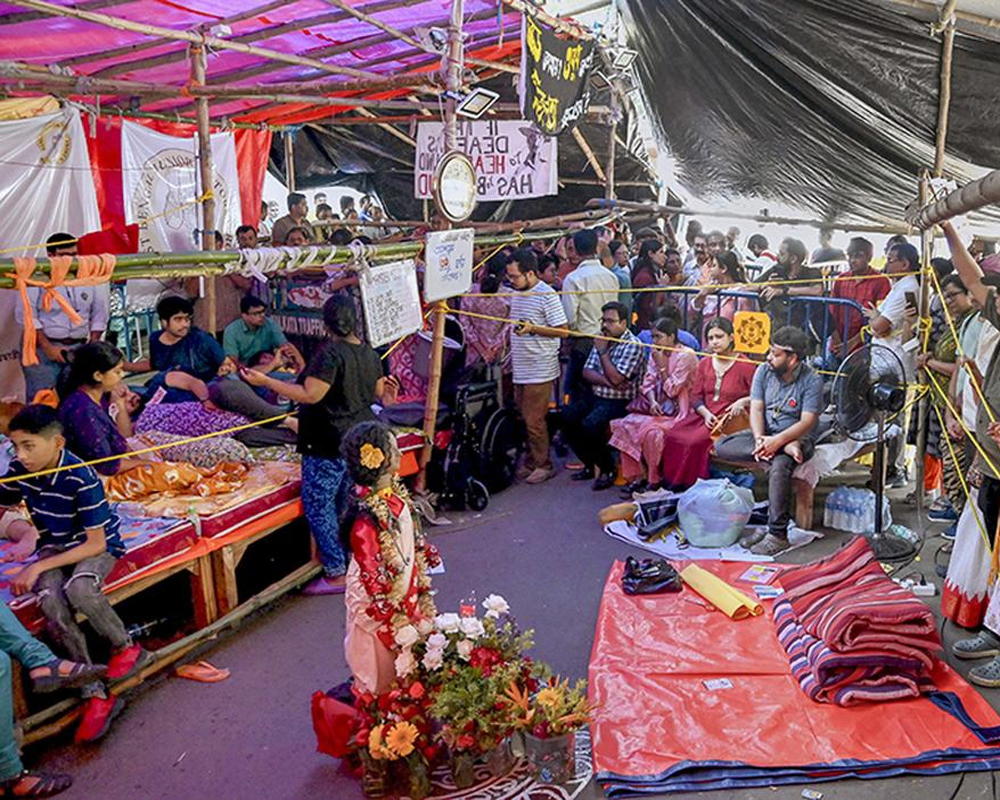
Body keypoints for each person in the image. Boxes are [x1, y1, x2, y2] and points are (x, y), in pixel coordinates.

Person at [0, 406, 148, 742]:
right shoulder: (19, 470)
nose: (21, 455)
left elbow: (95, 544)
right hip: (54, 545)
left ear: (57, 443)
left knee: (79, 589)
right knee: (49, 599)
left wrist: (36, 564)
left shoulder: (81, 476)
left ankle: (127, 646)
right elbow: (3, 498)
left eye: (29, 446)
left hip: (93, 545)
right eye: (15, 447)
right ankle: (92, 690)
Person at [241, 297, 398, 595]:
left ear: (325, 324)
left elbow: (310, 394)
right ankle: (352, 559)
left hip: (328, 440)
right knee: (344, 501)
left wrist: (266, 380)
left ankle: (336, 571)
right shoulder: (367, 353)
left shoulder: (330, 354)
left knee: (319, 504)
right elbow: (380, 395)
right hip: (357, 438)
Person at [941, 221, 1000, 687]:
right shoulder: (994, 317)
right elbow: (972, 278)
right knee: (993, 546)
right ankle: (995, 631)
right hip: (995, 454)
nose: (992, 299)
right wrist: (949, 230)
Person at [341, 422, 439, 695]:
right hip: (378, 600)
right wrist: (391, 613)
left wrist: (423, 551)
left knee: (407, 661)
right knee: (380, 667)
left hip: (402, 585)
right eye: (394, 449)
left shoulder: (396, 497)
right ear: (377, 459)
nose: (399, 453)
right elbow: (372, 573)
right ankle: (380, 723)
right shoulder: (365, 519)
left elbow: (409, 539)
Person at [714, 326, 823, 556]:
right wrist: (760, 440)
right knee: (720, 446)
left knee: (780, 466)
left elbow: (807, 421)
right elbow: (756, 408)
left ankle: (777, 534)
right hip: (768, 434)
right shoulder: (764, 371)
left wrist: (780, 441)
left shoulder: (812, 380)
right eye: (770, 352)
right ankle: (781, 448)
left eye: (775, 354)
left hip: (798, 436)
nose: (768, 357)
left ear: (792, 359)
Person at [660, 317, 757, 489]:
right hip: (705, 416)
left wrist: (742, 401)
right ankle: (672, 483)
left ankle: (690, 486)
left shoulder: (746, 365)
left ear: (731, 337)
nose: (714, 342)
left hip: (730, 421)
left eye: (719, 337)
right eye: (711, 338)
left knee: (694, 442)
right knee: (673, 434)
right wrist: (705, 413)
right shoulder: (705, 363)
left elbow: (759, 396)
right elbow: (695, 396)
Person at [15, 234, 110, 403]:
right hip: (42, 347)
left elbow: (99, 313)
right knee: (44, 399)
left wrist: (92, 343)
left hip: (79, 347)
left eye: (74, 254)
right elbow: (27, 315)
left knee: (79, 399)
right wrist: (48, 347)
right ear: (51, 255)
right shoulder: (37, 274)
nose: (71, 260)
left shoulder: (89, 273)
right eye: (64, 255)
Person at [561, 301, 645, 491]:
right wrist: (609, 381)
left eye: (611, 321)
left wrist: (603, 352)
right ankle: (591, 464)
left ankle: (608, 469)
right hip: (599, 395)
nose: (605, 325)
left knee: (591, 424)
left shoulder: (632, 345)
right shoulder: (602, 339)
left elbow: (617, 378)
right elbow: (587, 372)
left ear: (624, 323)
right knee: (566, 416)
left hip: (621, 401)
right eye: (604, 320)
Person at [609, 317, 697, 491]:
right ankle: (637, 476)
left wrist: (662, 367)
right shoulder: (656, 352)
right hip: (658, 409)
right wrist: (652, 401)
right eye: (653, 337)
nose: (654, 341)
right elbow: (647, 382)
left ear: (671, 337)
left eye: (659, 337)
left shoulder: (686, 356)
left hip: (682, 411)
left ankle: (653, 479)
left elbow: (673, 390)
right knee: (626, 424)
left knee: (653, 434)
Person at [507, 249, 568, 484]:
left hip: (540, 367)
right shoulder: (516, 293)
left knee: (534, 420)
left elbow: (563, 330)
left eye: (515, 276)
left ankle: (544, 464)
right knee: (524, 417)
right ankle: (532, 460)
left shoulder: (547, 295)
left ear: (530, 273)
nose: (511, 281)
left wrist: (534, 329)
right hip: (521, 365)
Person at [863, 241, 921, 487]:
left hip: (894, 363)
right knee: (884, 416)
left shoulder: (908, 287)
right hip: (886, 359)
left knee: (893, 418)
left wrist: (875, 318)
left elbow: (879, 326)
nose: (887, 263)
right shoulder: (899, 286)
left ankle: (893, 469)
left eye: (891, 259)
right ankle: (884, 468)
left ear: (904, 263)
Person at [127, 296, 224, 406]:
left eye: (187, 319)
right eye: (178, 319)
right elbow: (155, 364)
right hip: (168, 389)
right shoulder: (155, 339)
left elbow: (225, 364)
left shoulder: (201, 339)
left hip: (202, 390)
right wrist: (125, 366)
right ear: (164, 322)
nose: (185, 324)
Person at [561, 230, 620, 404]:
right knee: (600, 392)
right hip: (608, 340)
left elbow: (569, 319)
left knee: (577, 393)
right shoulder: (611, 276)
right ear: (596, 247)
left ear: (576, 250)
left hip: (583, 343)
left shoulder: (572, 279)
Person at [829, 237, 891, 358]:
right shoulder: (841, 280)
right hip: (837, 344)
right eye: (850, 256)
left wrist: (852, 344)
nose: (852, 260)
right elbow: (831, 312)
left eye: (858, 256)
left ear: (869, 258)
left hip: (864, 347)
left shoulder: (880, 281)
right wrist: (838, 342)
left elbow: (880, 317)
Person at [756, 237, 824, 343]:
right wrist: (765, 285)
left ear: (793, 259)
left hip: (802, 329)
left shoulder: (812, 272)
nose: (777, 257)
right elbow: (751, 285)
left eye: (782, 254)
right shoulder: (777, 270)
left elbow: (817, 290)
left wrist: (784, 291)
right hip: (777, 327)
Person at [223, 296, 304, 371]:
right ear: (244, 316)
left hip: (268, 363)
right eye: (256, 313)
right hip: (246, 369)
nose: (262, 315)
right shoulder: (232, 331)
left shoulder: (269, 323)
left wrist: (300, 364)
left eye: (263, 311)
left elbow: (286, 346)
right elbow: (233, 361)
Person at [692, 249, 748, 341]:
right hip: (707, 342)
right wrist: (702, 294)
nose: (710, 270)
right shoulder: (711, 289)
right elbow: (692, 312)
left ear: (723, 269)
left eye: (714, 266)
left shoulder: (741, 293)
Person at [630, 240, 667, 332]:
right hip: (645, 326)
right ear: (650, 254)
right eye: (661, 252)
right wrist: (661, 288)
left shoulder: (653, 273)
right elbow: (650, 308)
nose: (665, 257)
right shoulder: (644, 277)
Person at [608, 240, 633, 317]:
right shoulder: (618, 275)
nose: (625, 256)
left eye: (626, 253)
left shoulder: (627, 270)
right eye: (620, 253)